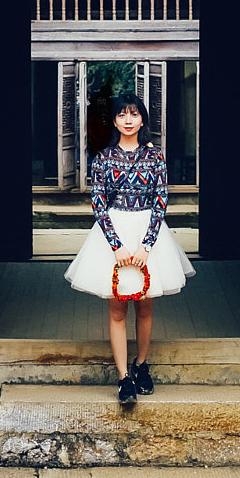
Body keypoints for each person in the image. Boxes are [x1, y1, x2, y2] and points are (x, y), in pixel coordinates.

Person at [64, 91, 195, 404]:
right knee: (117, 307)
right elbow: (98, 202)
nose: (128, 120)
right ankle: (123, 377)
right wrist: (117, 246)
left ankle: (142, 364)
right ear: (114, 120)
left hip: (149, 233)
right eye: (122, 114)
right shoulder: (103, 158)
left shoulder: (155, 157)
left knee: (146, 304)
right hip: (114, 235)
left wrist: (147, 245)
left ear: (142, 119)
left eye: (134, 114)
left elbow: (161, 200)